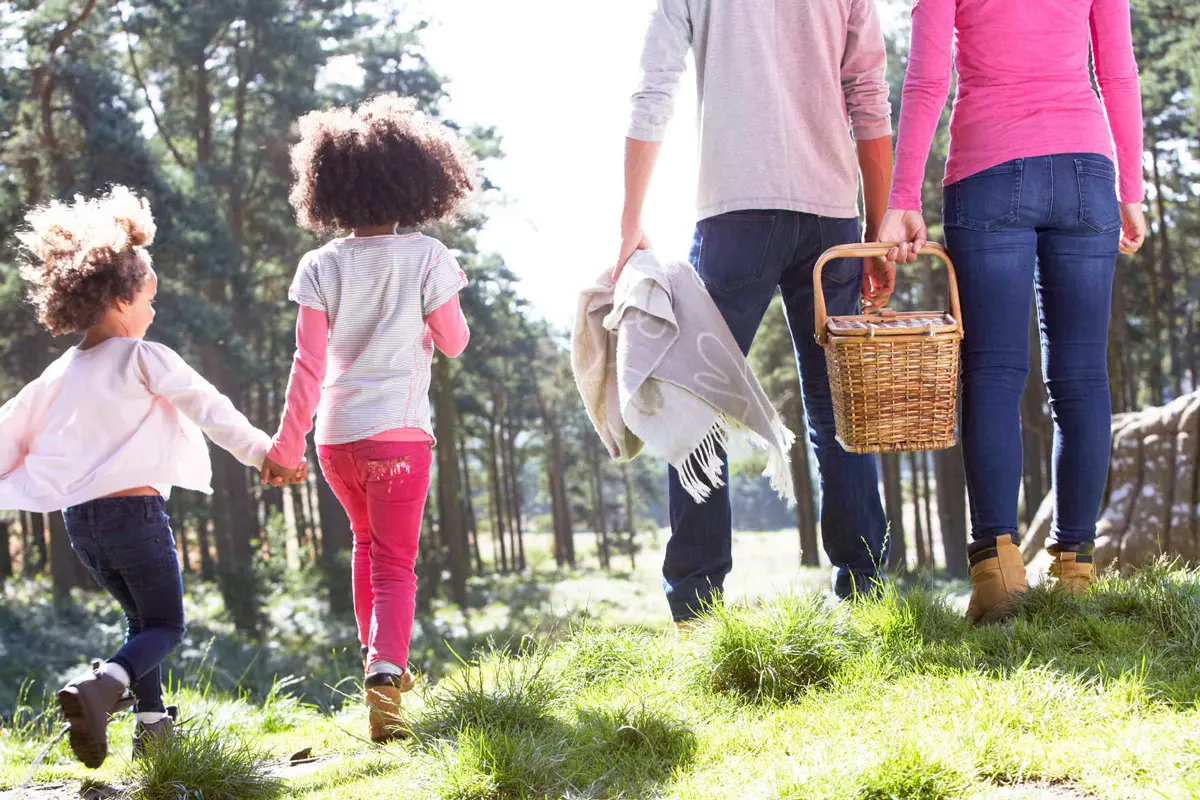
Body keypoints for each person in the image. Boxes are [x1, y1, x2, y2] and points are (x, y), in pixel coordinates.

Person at [619, 0, 897, 622]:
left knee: (696, 404)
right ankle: (867, 593)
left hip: (734, 215)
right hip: (832, 216)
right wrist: (876, 228)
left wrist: (630, 222)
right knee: (837, 405)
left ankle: (697, 607)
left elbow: (653, 87)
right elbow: (869, 95)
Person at [877, 0, 1148, 624]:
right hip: (1087, 173)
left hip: (988, 169)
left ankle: (997, 575)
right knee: (1082, 379)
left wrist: (901, 198)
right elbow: (1119, 72)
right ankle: (1075, 571)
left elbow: (926, 79)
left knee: (994, 374)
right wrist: (1129, 190)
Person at [0, 186, 284, 767]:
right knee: (167, 625)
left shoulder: (57, 374)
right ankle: (102, 688)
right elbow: (212, 409)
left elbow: (8, 430)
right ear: (123, 297)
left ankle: (152, 730)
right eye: (150, 298)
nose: (154, 311)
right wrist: (264, 454)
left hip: (82, 526)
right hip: (135, 515)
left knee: (140, 621)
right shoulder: (144, 356)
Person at [263, 94, 474, 743]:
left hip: (336, 441)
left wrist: (285, 444)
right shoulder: (427, 257)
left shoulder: (320, 264)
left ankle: (376, 659)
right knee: (396, 563)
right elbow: (456, 339)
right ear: (416, 179)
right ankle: (387, 670)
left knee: (366, 545)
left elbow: (308, 363)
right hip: (401, 436)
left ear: (330, 190)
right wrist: (425, 328)